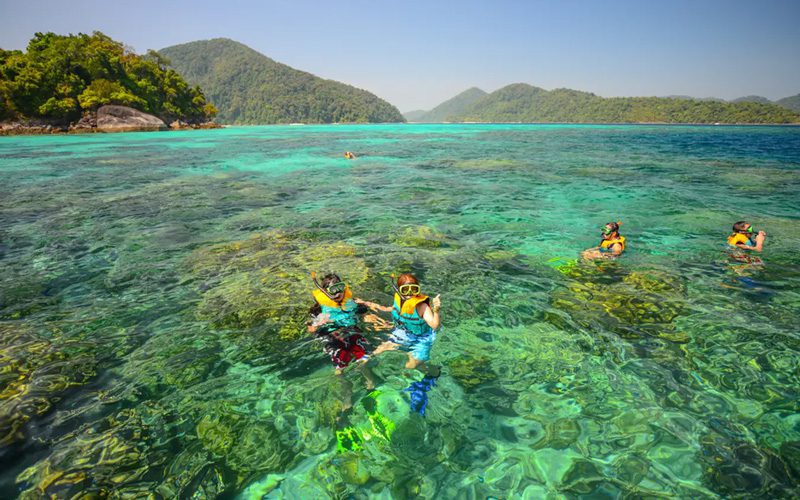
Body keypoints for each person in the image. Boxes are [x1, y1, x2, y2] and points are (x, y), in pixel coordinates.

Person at [373, 274, 441, 376]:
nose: (410, 294)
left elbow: (434, 325)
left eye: (414, 289)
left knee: (411, 365)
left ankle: (431, 372)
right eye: (405, 290)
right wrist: (371, 305)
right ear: (399, 290)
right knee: (377, 352)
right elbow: (392, 309)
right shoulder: (399, 300)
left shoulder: (422, 306)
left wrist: (436, 310)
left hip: (422, 337)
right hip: (403, 332)